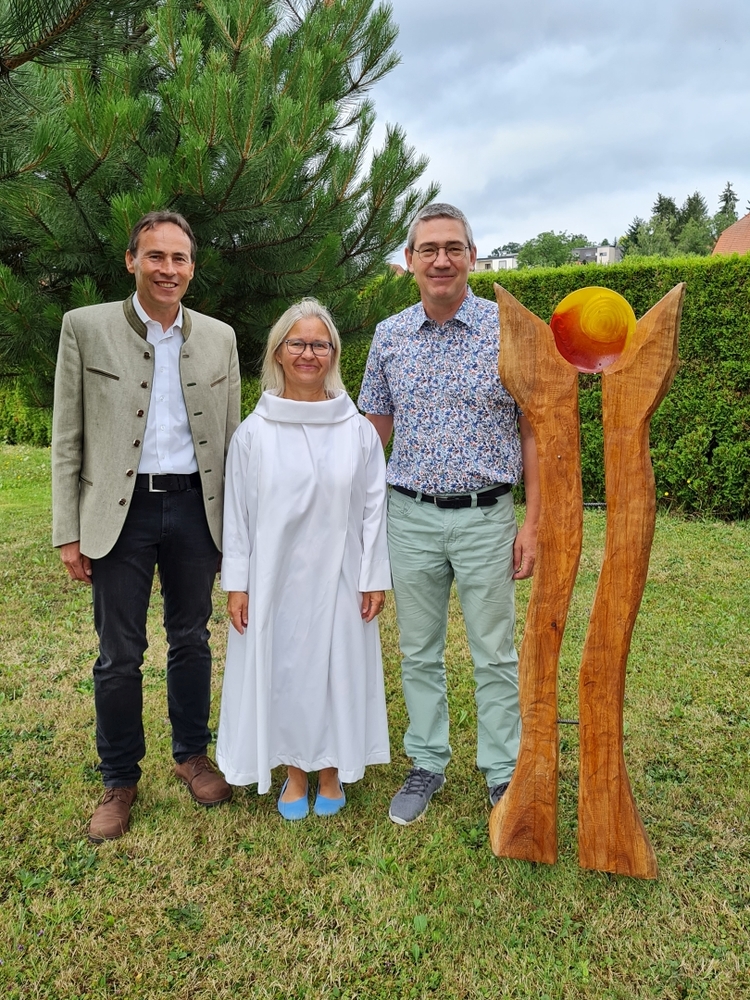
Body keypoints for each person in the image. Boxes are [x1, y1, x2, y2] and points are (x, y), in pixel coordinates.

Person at [52, 210, 241, 842]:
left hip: (195, 510)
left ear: (192, 267)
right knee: (119, 653)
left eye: (179, 258)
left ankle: (191, 755)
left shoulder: (219, 338)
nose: (168, 269)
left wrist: (237, 527)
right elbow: (67, 437)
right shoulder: (85, 328)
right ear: (132, 260)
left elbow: (233, 440)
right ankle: (119, 778)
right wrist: (67, 529)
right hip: (119, 511)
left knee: (191, 638)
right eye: (155, 256)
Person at [358, 202, 540, 825]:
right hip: (410, 517)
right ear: (410, 260)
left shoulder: (507, 330)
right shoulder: (389, 337)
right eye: (429, 249)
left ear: (471, 256)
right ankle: (427, 762)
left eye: (453, 247)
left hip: (487, 518)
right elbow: (371, 436)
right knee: (418, 651)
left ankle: (503, 770)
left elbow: (534, 431)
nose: (442, 259)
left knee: (495, 653)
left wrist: (533, 523)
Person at [216, 298, 391, 820]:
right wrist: (239, 583)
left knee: (337, 668)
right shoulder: (254, 433)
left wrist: (372, 577)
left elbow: (374, 509)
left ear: (333, 353)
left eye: (319, 344)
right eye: (298, 343)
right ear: (278, 352)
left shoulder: (357, 431)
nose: (308, 354)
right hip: (275, 578)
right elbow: (238, 514)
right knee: (286, 669)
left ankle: (332, 770)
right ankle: (294, 771)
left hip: (340, 575)